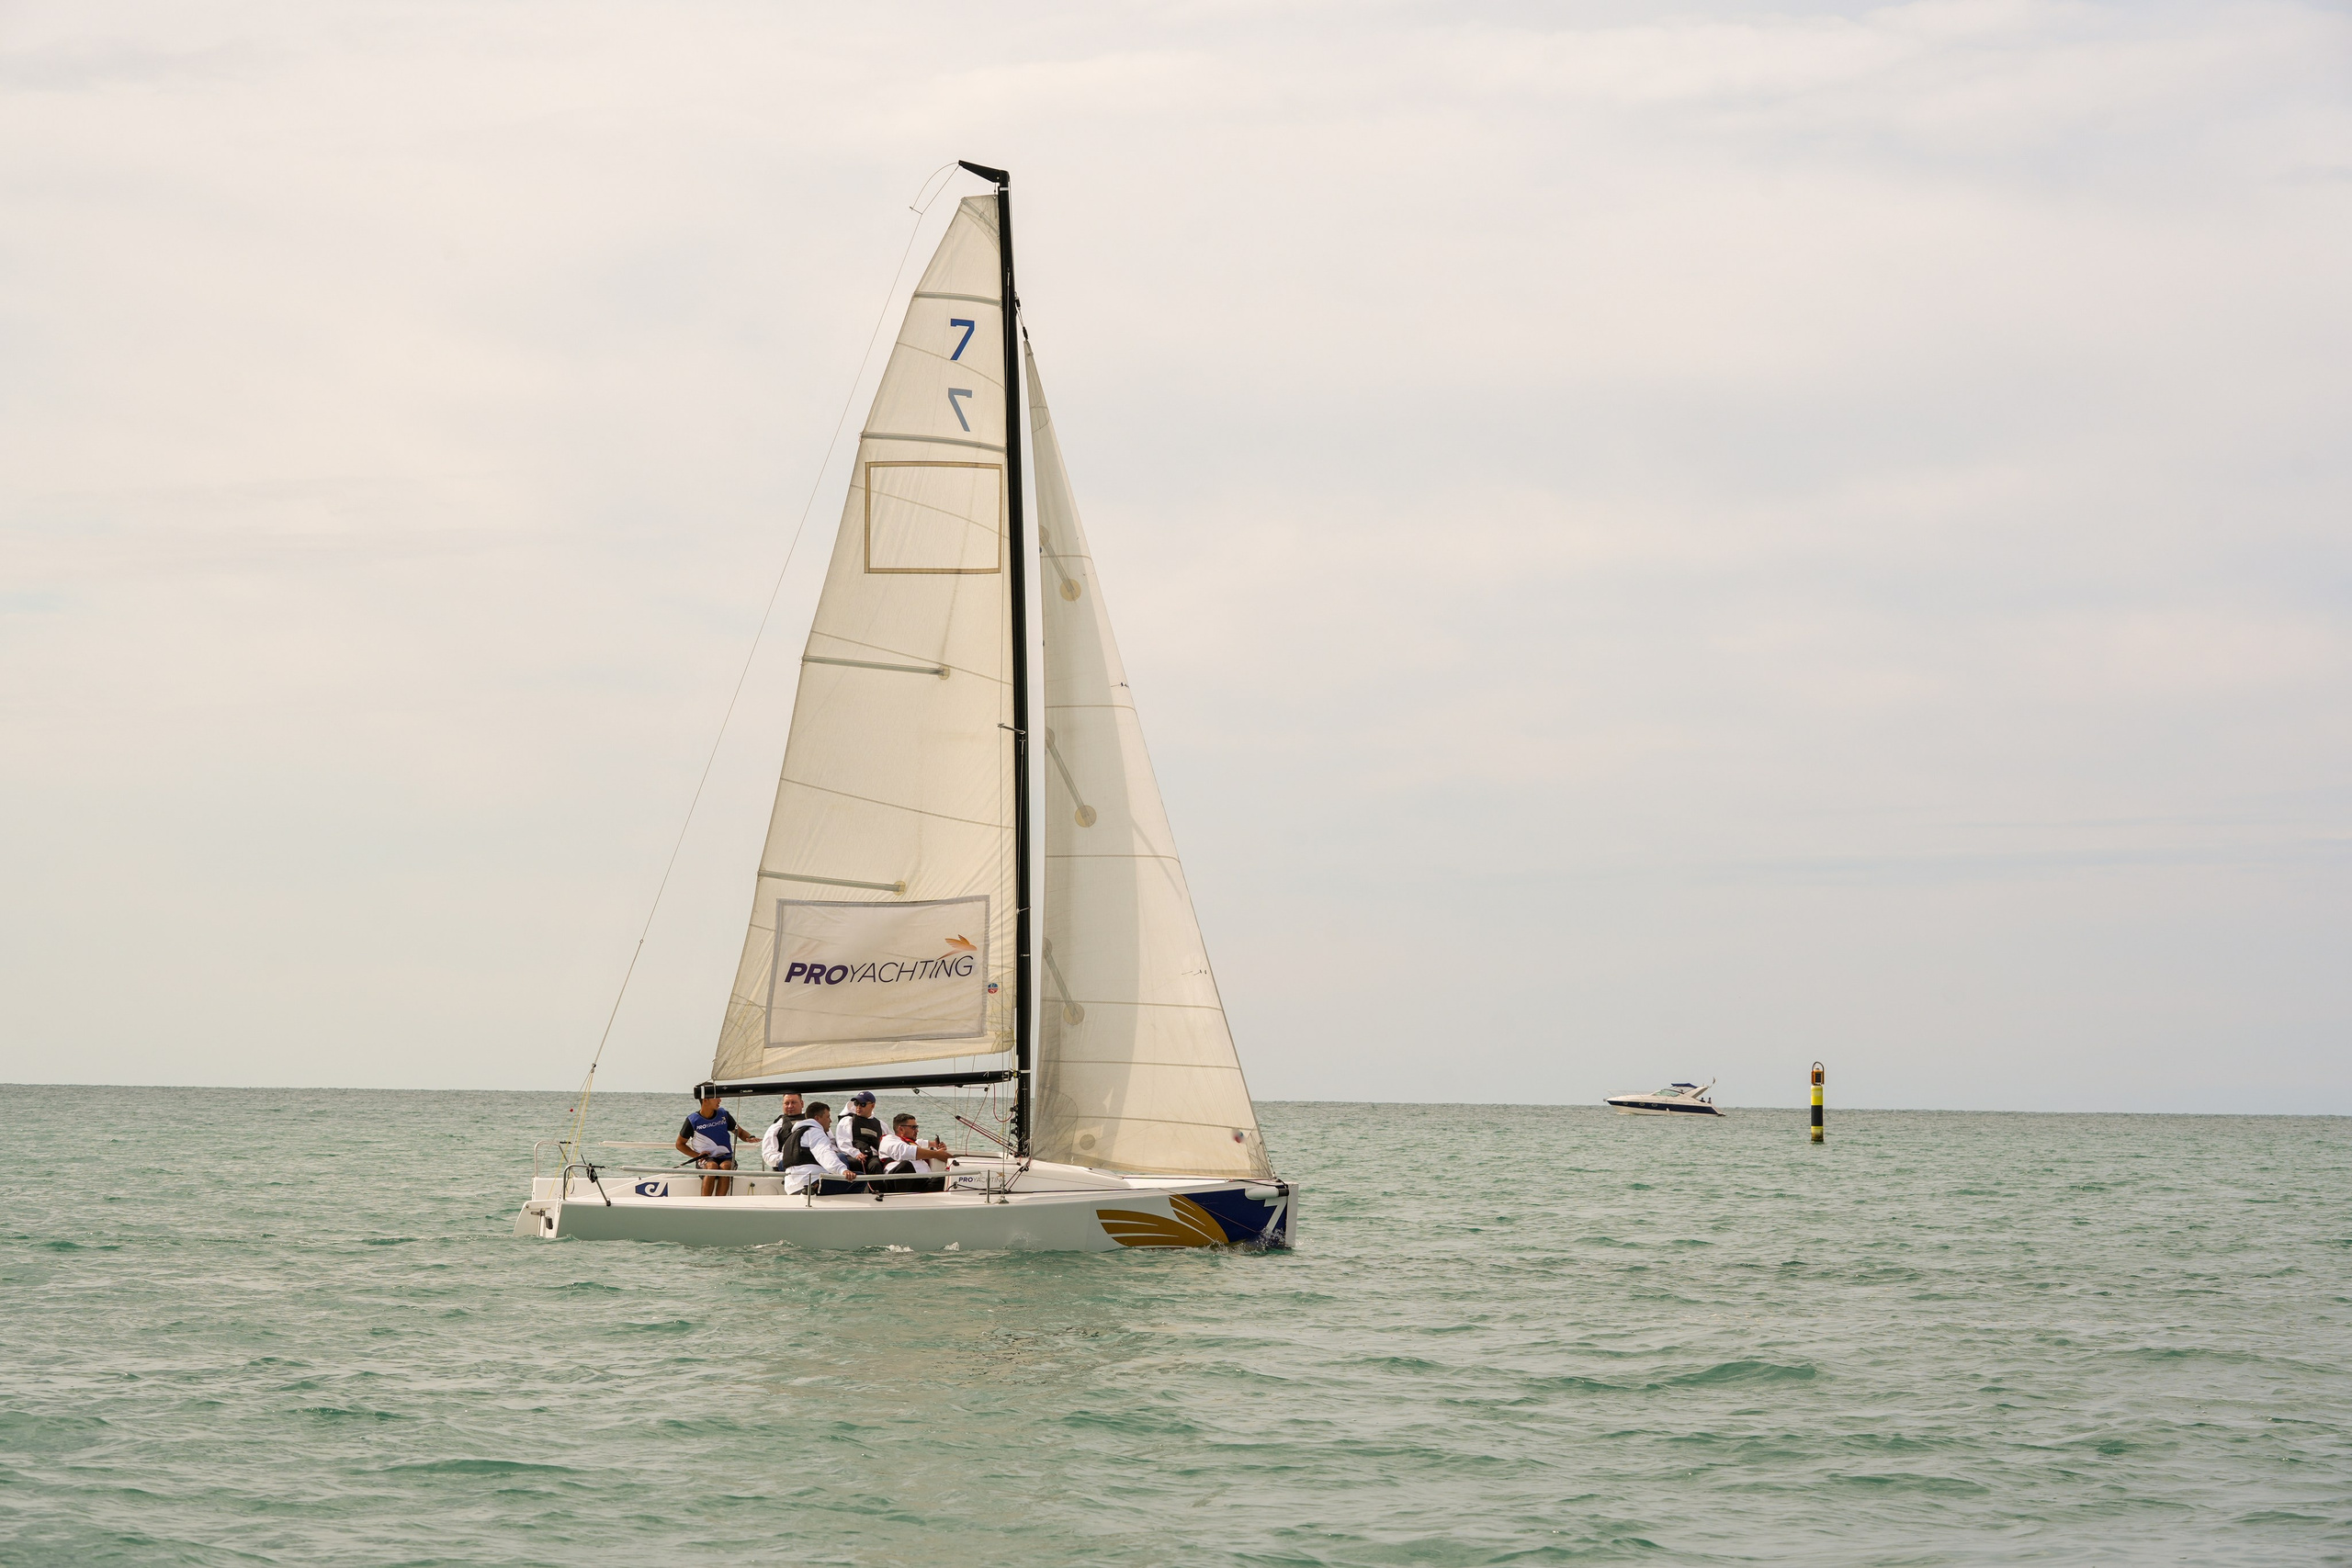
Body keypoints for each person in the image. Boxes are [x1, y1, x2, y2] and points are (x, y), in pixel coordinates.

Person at [674, 1085, 751, 1197]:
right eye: (717, 1097)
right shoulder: (692, 1120)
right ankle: (705, 1205)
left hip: (726, 1158)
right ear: (706, 1100)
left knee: (725, 1167)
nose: (720, 1100)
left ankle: (720, 1204)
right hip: (705, 1160)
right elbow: (679, 1144)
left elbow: (740, 1133)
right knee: (712, 1167)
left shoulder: (724, 1115)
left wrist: (750, 1137)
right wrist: (697, 1155)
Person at [777, 1102, 864, 1196]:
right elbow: (824, 1153)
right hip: (812, 1184)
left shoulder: (792, 1136)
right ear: (817, 1118)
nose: (830, 1121)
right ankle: (841, 1208)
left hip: (791, 1188)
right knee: (860, 1179)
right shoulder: (815, 1132)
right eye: (828, 1117)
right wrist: (842, 1170)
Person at [879, 1112, 951, 1193]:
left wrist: (936, 1146)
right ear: (901, 1129)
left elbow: (920, 1143)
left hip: (922, 1182)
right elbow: (906, 1151)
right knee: (905, 1166)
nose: (917, 1130)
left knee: (947, 1179)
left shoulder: (911, 1143)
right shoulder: (889, 1139)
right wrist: (936, 1154)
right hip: (899, 1182)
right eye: (914, 1127)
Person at [833, 1090, 886, 1173]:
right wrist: (856, 1154)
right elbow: (843, 1143)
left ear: (872, 1105)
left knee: (876, 1165)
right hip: (853, 1155)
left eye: (863, 1104)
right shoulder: (847, 1121)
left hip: (873, 1157)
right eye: (856, 1103)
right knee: (855, 1163)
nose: (858, 1107)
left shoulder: (881, 1125)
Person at [759, 1091, 808, 1173]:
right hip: (788, 1168)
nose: (790, 1106)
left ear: (802, 1104)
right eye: (787, 1103)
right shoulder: (775, 1128)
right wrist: (793, 1156)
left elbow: (830, 1142)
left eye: (793, 1102)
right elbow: (768, 1156)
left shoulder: (814, 1122)